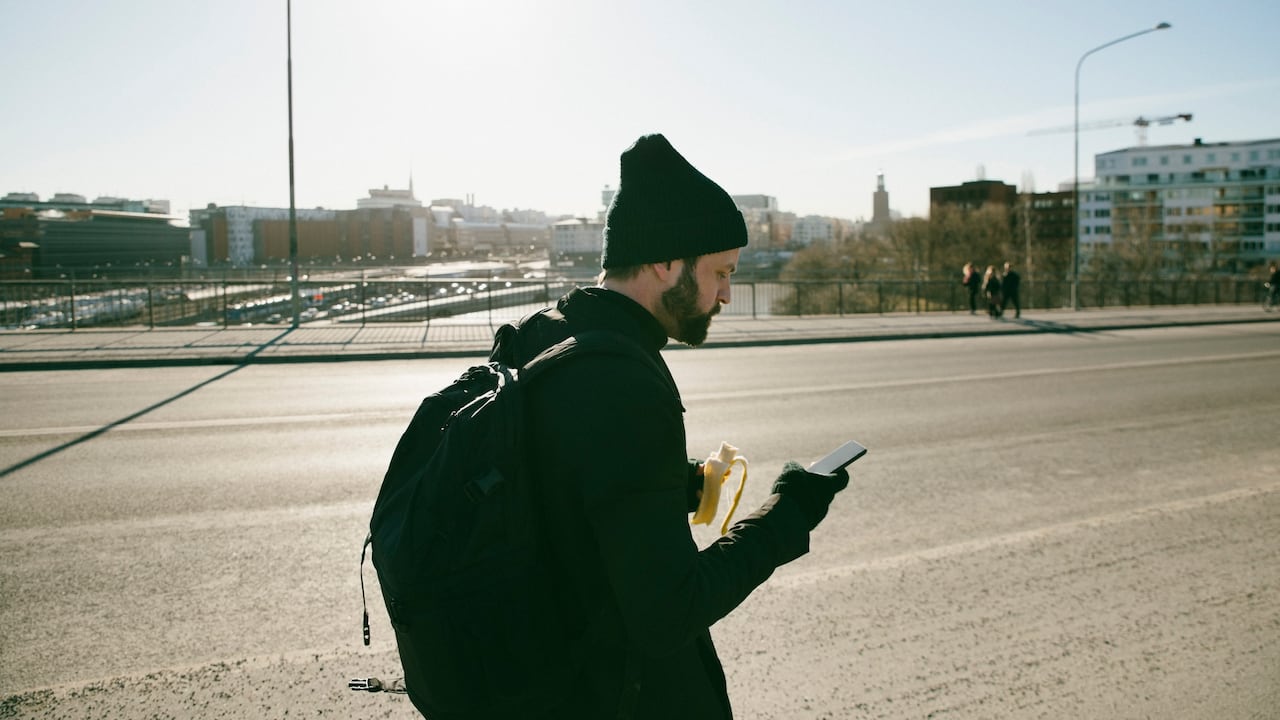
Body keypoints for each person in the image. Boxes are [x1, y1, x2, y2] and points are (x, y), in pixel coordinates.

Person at [488, 133, 851, 719]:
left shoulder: (544, 333)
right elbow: (670, 614)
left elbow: (559, 478)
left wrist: (679, 483)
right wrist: (788, 515)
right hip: (614, 695)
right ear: (665, 262)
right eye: (721, 273)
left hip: (544, 674)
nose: (728, 295)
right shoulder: (625, 382)